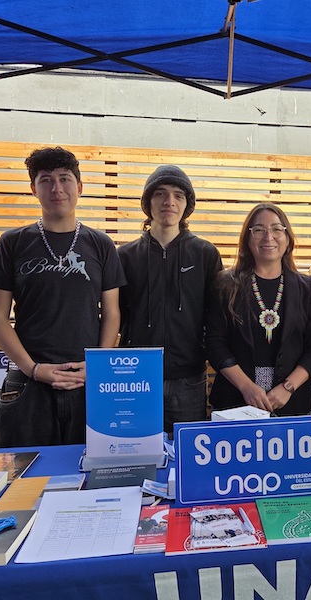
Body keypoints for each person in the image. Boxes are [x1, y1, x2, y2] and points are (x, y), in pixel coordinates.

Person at [0, 146, 125, 446]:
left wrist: (97, 366)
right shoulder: (12, 243)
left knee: (87, 468)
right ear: (33, 189)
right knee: (26, 471)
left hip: (86, 381)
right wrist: (33, 369)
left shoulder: (101, 244)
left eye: (65, 179)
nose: (56, 188)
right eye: (46, 180)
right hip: (27, 384)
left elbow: (112, 313)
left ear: (80, 187)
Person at [118, 165, 223, 434]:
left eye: (178, 195)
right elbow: (116, 316)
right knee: (136, 450)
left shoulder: (205, 254)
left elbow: (215, 316)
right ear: (147, 202)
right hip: (137, 378)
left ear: (187, 205)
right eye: (160, 194)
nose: (169, 201)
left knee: (185, 453)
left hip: (188, 378)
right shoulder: (125, 256)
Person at [205, 203, 311, 415]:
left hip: (294, 403)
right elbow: (215, 344)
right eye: (259, 230)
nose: (268, 237)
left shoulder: (307, 287)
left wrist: (287, 387)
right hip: (236, 402)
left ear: (288, 239)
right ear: (247, 238)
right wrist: (246, 387)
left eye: (277, 229)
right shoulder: (225, 285)